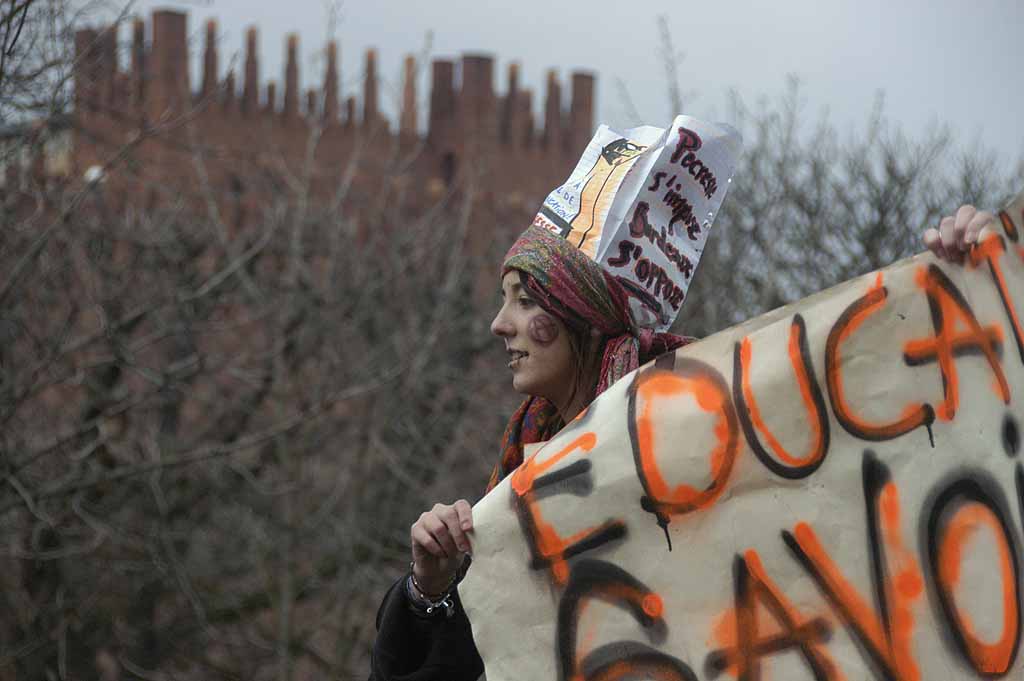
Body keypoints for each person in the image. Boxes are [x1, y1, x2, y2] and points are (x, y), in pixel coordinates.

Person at [366, 203, 994, 681]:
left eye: (524, 299)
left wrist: (974, 287)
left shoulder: (714, 426)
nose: (499, 324)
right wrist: (431, 587)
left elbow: (884, 449)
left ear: (582, 316)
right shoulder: (519, 469)